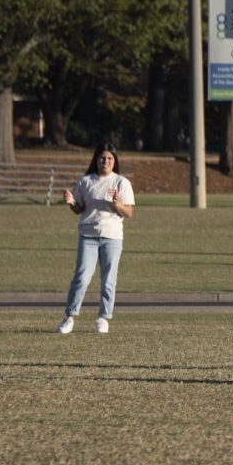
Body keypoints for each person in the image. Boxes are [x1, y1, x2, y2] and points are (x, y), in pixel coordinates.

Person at [56, 142, 134, 334]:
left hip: (112, 237)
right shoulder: (86, 181)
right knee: (82, 276)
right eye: (102, 158)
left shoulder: (121, 182)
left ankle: (103, 318)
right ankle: (70, 317)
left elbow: (129, 212)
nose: (105, 161)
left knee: (109, 278)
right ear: (96, 160)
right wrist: (71, 202)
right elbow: (79, 209)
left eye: (109, 158)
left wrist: (118, 206)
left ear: (114, 161)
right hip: (88, 236)